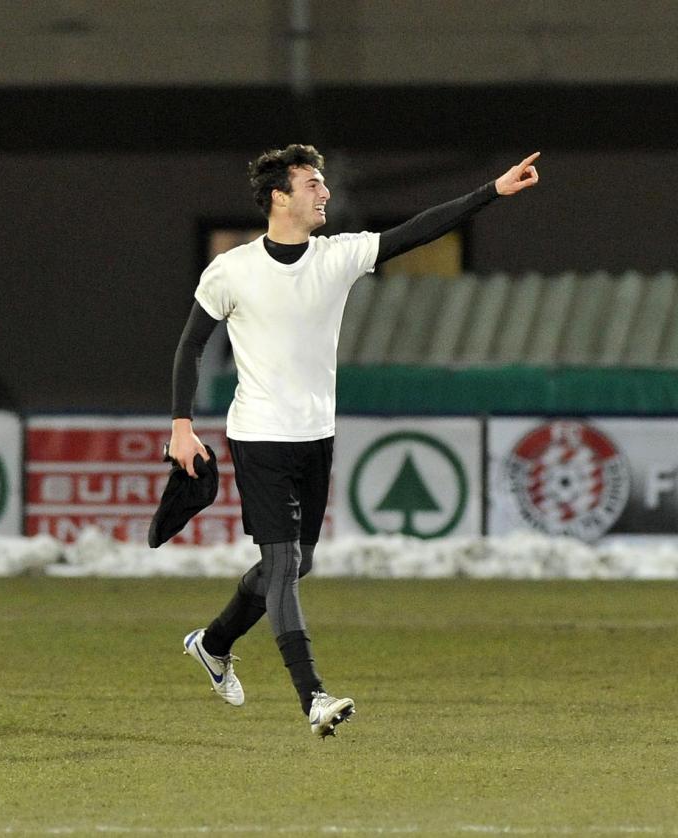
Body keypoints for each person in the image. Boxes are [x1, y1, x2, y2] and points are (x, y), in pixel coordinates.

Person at [169, 147, 541, 737]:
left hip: (315, 436)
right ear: (279, 197)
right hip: (259, 436)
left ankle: (212, 643)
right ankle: (313, 696)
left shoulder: (336, 257)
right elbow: (191, 346)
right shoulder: (231, 269)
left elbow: (417, 231)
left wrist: (491, 191)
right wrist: (181, 426)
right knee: (285, 564)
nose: (324, 194)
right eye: (312, 184)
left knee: (296, 563)